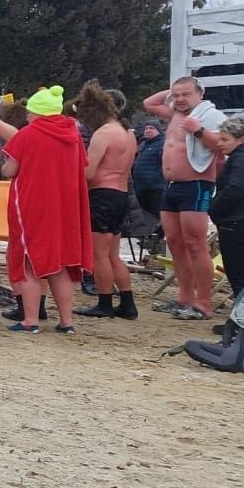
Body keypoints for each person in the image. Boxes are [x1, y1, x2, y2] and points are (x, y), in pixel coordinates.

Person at [0, 86, 92, 333]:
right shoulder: (72, 135)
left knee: (30, 262)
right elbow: (82, 166)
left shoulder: (28, 135)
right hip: (65, 208)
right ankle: (66, 322)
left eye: (30, 113)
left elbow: (10, 170)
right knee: (59, 265)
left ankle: (30, 321)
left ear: (39, 113)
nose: (27, 117)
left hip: (33, 206)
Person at [143, 77, 227, 320]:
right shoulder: (176, 115)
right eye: (176, 95)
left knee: (195, 243)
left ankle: (203, 302)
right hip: (171, 186)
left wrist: (198, 130)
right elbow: (149, 103)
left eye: (186, 94)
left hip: (196, 184)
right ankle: (184, 297)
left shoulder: (209, 116)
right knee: (175, 243)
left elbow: (223, 144)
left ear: (200, 93)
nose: (179, 99)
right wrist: (174, 90)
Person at [71, 82, 139, 320]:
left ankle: (105, 302)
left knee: (99, 255)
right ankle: (128, 303)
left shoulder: (103, 134)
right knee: (112, 255)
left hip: (102, 195)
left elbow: (88, 172)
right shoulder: (128, 134)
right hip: (121, 194)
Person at [209, 116, 244, 297]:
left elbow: (236, 188)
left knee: (237, 273)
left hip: (238, 220)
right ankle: (242, 318)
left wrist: (214, 208)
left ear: (241, 139)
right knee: (240, 272)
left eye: (225, 139)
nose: (220, 144)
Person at [132, 120, 166, 216]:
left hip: (155, 188)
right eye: (146, 128)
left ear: (158, 130)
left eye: (151, 128)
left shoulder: (161, 144)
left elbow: (165, 162)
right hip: (141, 188)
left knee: (156, 215)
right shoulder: (143, 145)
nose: (148, 130)